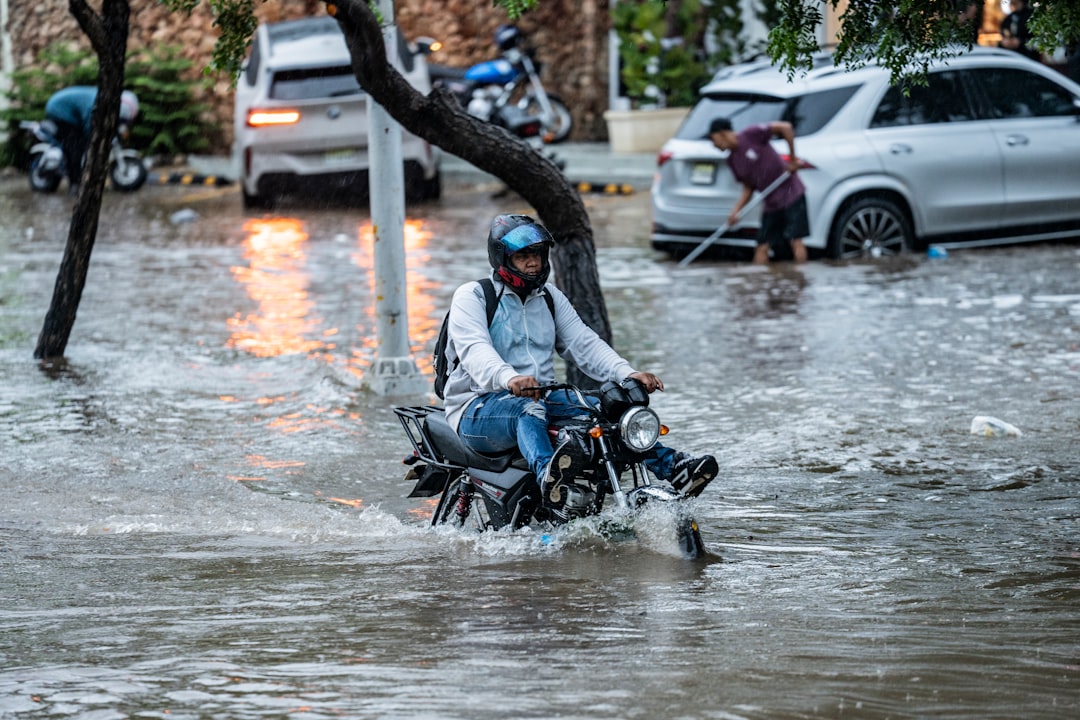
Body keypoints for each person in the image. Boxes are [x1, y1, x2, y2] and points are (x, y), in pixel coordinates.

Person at [441, 213, 718, 502]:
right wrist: (508, 378)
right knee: (527, 409)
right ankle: (551, 483)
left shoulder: (549, 298)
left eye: (538, 253)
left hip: (542, 398)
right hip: (478, 407)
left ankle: (675, 468)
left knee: (612, 409)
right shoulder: (473, 296)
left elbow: (583, 343)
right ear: (502, 257)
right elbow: (475, 350)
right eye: (523, 255)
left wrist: (627, 373)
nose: (533, 262)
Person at [707, 118, 808, 265]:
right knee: (762, 246)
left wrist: (792, 159)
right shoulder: (732, 161)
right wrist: (736, 211)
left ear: (722, 134)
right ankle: (760, 283)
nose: (713, 145)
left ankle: (801, 281)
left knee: (795, 241)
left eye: (713, 139)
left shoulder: (751, 134)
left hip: (791, 193)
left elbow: (785, 127)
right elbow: (748, 188)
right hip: (771, 202)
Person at [43, 86, 140, 192]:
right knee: (75, 147)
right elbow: (89, 127)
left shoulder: (106, 101)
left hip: (72, 111)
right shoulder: (96, 105)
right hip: (59, 109)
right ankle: (75, 183)